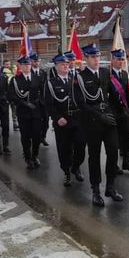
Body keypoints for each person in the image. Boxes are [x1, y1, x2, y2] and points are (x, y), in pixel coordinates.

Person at [75, 43, 123, 207]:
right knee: (94, 157)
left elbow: (114, 96)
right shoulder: (80, 78)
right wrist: (99, 116)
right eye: (93, 57)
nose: (97, 59)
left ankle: (110, 186)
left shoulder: (105, 73)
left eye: (98, 56)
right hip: (92, 123)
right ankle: (96, 190)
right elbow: (81, 103)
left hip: (108, 121)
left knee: (113, 153)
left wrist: (122, 112)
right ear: (86, 58)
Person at [45, 54, 86, 186]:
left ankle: (76, 166)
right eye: (62, 64)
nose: (65, 66)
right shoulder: (51, 83)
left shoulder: (75, 80)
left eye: (67, 64)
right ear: (56, 66)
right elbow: (48, 104)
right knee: (64, 148)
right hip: (62, 120)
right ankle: (67, 172)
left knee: (80, 145)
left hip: (77, 118)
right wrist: (57, 118)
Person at [9, 55, 44, 169]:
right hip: (23, 111)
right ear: (20, 66)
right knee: (25, 136)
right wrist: (24, 103)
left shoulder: (37, 78)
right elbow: (12, 96)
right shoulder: (15, 80)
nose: (27, 66)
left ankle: (35, 155)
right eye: (24, 65)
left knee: (36, 136)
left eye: (28, 64)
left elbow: (43, 94)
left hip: (36, 110)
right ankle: (28, 157)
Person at [109, 49, 129, 173]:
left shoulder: (125, 74)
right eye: (118, 59)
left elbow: (128, 94)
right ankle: (114, 165)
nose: (121, 61)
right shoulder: (107, 75)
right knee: (114, 141)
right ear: (112, 60)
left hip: (124, 111)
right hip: (113, 112)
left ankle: (126, 161)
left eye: (122, 59)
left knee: (128, 135)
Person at [30, 52, 50, 146]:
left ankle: (43, 137)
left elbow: (46, 86)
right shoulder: (28, 72)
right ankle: (35, 137)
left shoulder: (43, 72)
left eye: (38, 61)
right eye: (35, 61)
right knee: (35, 121)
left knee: (45, 120)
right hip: (33, 101)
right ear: (31, 62)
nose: (37, 63)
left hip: (43, 101)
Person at [1, 59, 20, 131]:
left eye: (9, 64)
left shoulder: (12, 73)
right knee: (4, 111)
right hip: (5, 96)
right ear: (3, 65)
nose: (8, 66)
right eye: (6, 64)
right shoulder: (1, 74)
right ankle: (3, 123)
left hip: (12, 95)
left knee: (14, 110)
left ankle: (15, 124)